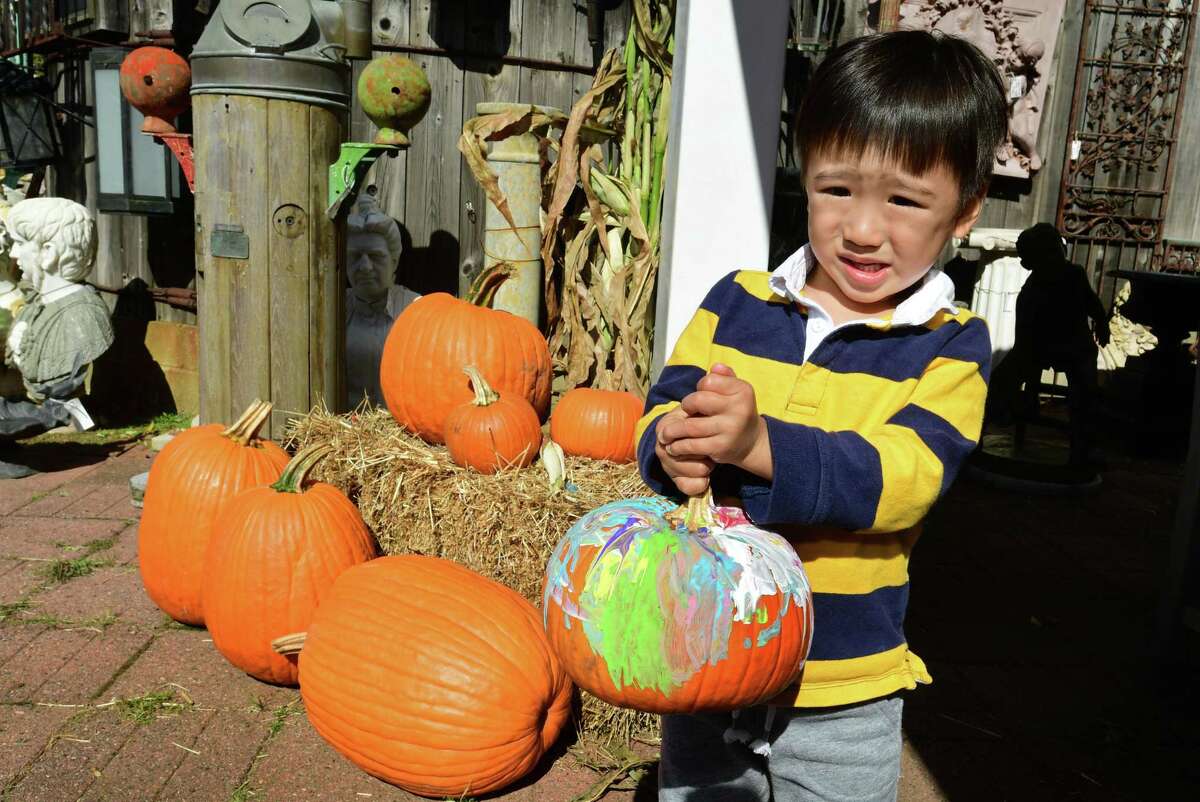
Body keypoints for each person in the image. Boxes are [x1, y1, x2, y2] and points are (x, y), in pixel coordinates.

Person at [635, 30, 1007, 801]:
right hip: (705, 645)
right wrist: (671, 445)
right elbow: (664, 403)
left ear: (964, 212)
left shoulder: (951, 347)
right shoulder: (737, 301)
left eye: (905, 201)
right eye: (836, 190)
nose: (864, 229)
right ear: (805, 177)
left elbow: (906, 478)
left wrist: (766, 445)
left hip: (841, 679)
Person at [992, 222, 1109, 466]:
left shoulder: (1074, 274)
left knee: (1086, 390)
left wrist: (1102, 323)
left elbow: (1092, 303)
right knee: (999, 381)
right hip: (1037, 347)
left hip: (1073, 348)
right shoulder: (1032, 289)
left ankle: (1084, 444)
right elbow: (1023, 333)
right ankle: (1000, 412)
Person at [344, 190, 419, 408]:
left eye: (376, 257)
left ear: (394, 262)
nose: (365, 267)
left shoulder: (416, 311)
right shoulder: (333, 312)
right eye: (355, 256)